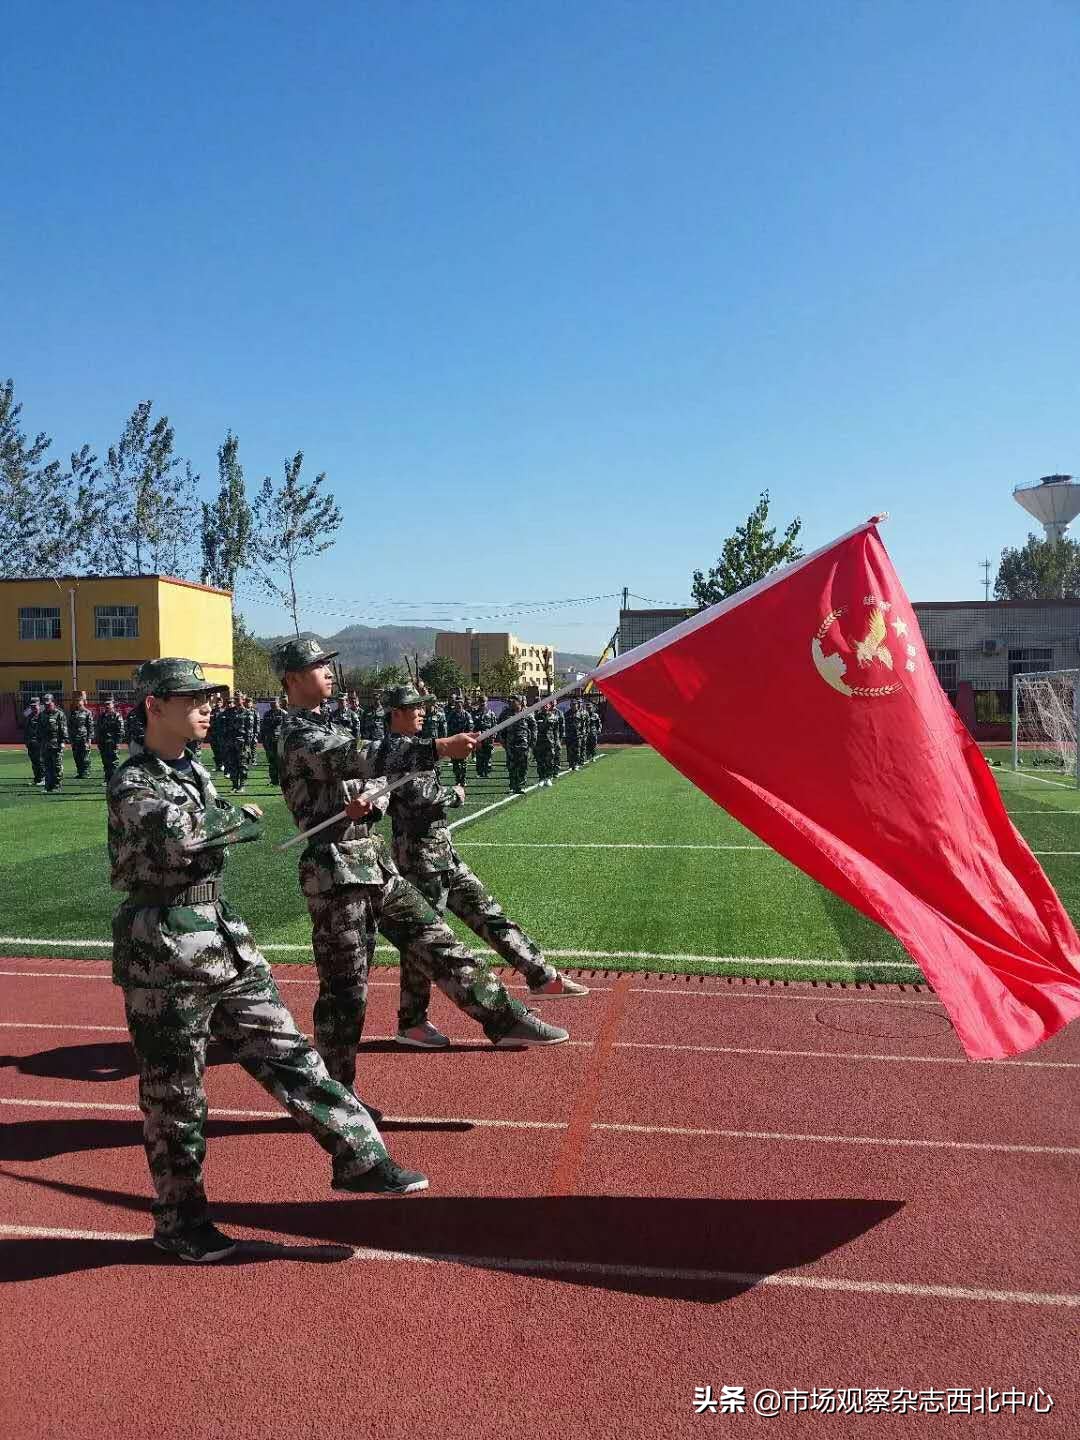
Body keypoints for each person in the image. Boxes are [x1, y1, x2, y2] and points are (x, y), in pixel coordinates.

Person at [107, 657, 429, 1265]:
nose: (205, 707)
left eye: (206, 697)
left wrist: (228, 819)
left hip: (219, 935)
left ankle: (359, 1156)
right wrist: (239, 816)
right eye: (191, 699)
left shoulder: (192, 769)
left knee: (288, 1050)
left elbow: (203, 830)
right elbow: (182, 836)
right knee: (175, 1095)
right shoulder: (133, 780)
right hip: (162, 948)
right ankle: (181, 1222)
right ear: (154, 706)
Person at [273, 639, 569, 1100]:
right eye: (318, 667)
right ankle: (336, 1099)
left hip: (374, 860)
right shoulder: (295, 733)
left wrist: (371, 800)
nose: (329, 672)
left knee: (436, 938)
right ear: (293, 679)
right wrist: (437, 747)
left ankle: (503, 1016)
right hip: (335, 873)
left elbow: (374, 778)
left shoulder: (329, 723)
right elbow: (363, 756)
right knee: (346, 993)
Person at [384, 686, 588, 1048]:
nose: (422, 712)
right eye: (414, 707)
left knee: (489, 913)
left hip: (442, 852)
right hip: (419, 860)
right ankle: (412, 1023)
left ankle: (541, 976)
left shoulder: (418, 745)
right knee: (425, 945)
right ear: (395, 713)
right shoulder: (392, 752)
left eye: (422, 706)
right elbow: (417, 797)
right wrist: (455, 795)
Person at [501, 696, 533, 793]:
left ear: (519, 702)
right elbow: (501, 728)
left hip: (524, 744)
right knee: (511, 766)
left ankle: (521, 786)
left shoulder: (527, 713)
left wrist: (532, 744)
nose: (511, 702)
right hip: (510, 744)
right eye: (511, 701)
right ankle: (512, 785)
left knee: (523, 766)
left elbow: (533, 729)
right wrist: (503, 741)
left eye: (514, 701)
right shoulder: (505, 714)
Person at [38, 694, 68, 793]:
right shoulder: (42, 714)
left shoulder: (59, 714)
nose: (47, 706)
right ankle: (48, 786)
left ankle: (57, 786)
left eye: (49, 704)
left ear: (53, 702)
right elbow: (39, 729)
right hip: (45, 744)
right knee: (47, 766)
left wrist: (63, 741)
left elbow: (63, 728)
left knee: (57, 766)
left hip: (56, 744)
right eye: (45, 704)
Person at [444, 692, 472, 788]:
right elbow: (447, 728)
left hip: (463, 742)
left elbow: (470, 728)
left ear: (462, 704)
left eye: (460, 703)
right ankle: (457, 780)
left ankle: (463, 780)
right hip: (454, 742)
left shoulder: (467, 715)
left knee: (463, 763)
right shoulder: (451, 715)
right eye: (457, 703)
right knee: (455, 763)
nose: (458, 705)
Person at [95, 697, 124, 784]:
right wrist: (98, 741)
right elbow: (98, 729)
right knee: (105, 762)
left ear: (113, 705)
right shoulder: (102, 716)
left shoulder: (117, 716)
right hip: (103, 742)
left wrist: (118, 742)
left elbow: (121, 730)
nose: (107, 706)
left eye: (109, 704)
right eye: (106, 704)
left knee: (113, 762)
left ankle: (113, 780)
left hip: (113, 742)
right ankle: (107, 779)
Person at [259, 696, 286, 786]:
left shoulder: (283, 713)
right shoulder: (267, 714)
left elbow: (287, 727)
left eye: (274, 703)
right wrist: (263, 740)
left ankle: (283, 780)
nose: (272, 704)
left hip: (280, 741)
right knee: (271, 761)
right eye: (271, 703)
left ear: (279, 703)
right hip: (269, 741)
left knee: (281, 761)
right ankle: (274, 780)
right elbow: (263, 728)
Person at [68, 691, 94, 779]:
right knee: (77, 756)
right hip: (75, 738)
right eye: (76, 701)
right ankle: (80, 772)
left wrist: (89, 739)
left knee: (85, 756)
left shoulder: (87, 712)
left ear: (83, 702)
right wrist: (70, 738)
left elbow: (90, 726)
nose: (78, 703)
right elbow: (70, 726)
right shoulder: (73, 712)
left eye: (79, 701)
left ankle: (86, 773)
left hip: (84, 737)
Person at [23, 699, 44, 786]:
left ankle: (43, 778)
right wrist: (26, 741)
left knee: (40, 761)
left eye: (35, 706)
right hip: (31, 742)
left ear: (39, 706)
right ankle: (37, 778)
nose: (33, 708)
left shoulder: (43, 716)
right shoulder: (29, 717)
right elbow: (26, 730)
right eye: (32, 706)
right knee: (34, 762)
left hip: (39, 742)